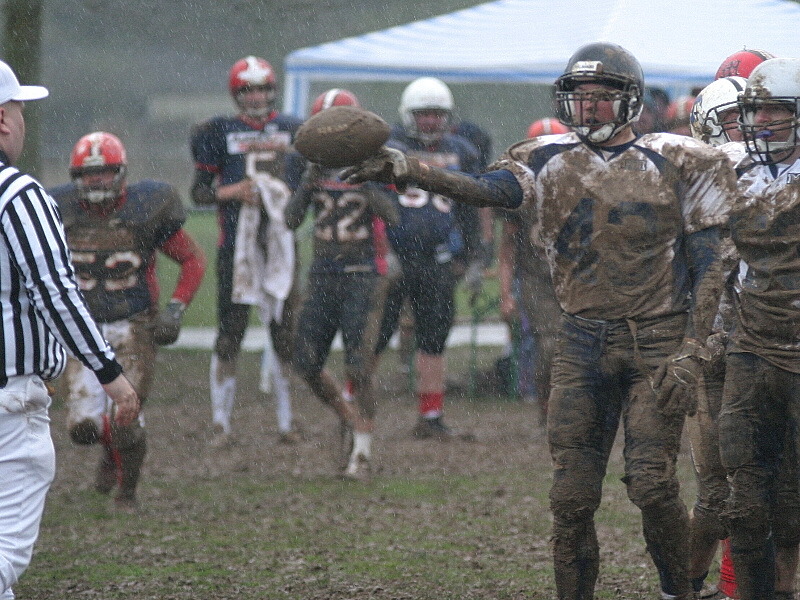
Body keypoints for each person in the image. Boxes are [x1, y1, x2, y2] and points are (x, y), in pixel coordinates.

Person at [344, 42, 736, 600]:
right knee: (571, 499)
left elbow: (709, 264)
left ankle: (680, 591)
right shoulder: (544, 157)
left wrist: (694, 347)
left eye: (602, 96)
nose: (590, 106)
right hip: (581, 339)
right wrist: (412, 170)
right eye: (581, 96)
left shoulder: (679, 158)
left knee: (652, 484)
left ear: (630, 101)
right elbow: (484, 189)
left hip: (655, 339)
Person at [0, 60, 139, 600]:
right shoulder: (16, 194)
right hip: (9, 401)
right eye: (18, 108)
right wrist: (111, 375)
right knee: (4, 558)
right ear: (2, 119)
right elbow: (55, 293)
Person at [48, 131, 206, 511]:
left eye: (104, 171)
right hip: (82, 329)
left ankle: (128, 492)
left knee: (126, 417)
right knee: (82, 429)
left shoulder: (146, 208)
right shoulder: (57, 211)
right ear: (75, 177)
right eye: (88, 173)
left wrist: (175, 309)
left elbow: (192, 259)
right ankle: (111, 450)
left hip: (134, 325)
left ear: (121, 173)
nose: (96, 180)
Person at [190, 55, 305, 447]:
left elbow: (308, 186)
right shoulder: (218, 131)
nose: (255, 97)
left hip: (281, 245)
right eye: (248, 90)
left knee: (284, 337)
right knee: (230, 334)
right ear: (236, 94)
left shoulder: (293, 130)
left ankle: (287, 422)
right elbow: (199, 192)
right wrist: (233, 192)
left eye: (261, 89)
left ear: (272, 91)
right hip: (237, 246)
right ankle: (220, 423)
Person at [718, 57, 800, 600]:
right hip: (749, 343)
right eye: (755, 109)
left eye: (774, 108)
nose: (762, 120)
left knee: (792, 497)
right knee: (744, 501)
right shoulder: (732, 170)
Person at [285, 88, 399, 480]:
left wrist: (366, 182)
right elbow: (290, 219)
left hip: (363, 274)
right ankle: (349, 417)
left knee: (359, 365)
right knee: (305, 361)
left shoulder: (376, 162)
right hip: (323, 274)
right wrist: (307, 182)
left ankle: (362, 451)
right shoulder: (308, 165)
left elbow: (394, 216)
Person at [371, 76, 482, 439]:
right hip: (395, 258)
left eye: (437, 114)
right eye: (424, 114)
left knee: (434, 337)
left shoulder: (463, 151)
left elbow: (471, 207)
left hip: (437, 259)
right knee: (375, 333)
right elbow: (372, 199)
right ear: (409, 114)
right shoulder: (389, 148)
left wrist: (472, 256)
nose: (431, 121)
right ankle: (354, 404)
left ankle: (430, 415)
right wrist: (384, 249)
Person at [497, 117, 568, 424]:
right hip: (537, 279)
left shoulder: (582, 183)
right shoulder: (522, 194)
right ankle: (548, 410)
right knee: (550, 345)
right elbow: (507, 250)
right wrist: (505, 294)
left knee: (587, 347)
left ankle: (578, 410)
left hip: (576, 277)